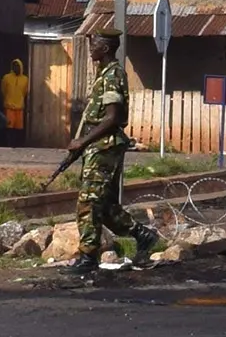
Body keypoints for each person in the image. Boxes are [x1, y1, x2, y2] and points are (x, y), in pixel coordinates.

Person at [63, 30, 158, 273]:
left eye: (94, 44)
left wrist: (82, 141)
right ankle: (142, 235)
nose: (91, 48)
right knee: (104, 207)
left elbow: (112, 117)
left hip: (105, 145)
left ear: (105, 49)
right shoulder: (102, 73)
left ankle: (88, 256)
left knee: (88, 202)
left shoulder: (113, 74)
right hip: (98, 146)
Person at [0, 58, 29, 143]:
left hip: (19, 107)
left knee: (18, 128)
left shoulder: (25, 79)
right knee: (9, 127)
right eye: (14, 66)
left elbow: (25, 92)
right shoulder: (6, 77)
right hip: (9, 107)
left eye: (18, 66)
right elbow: (3, 90)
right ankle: (9, 144)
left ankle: (17, 144)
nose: (16, 68)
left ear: (21, 67)